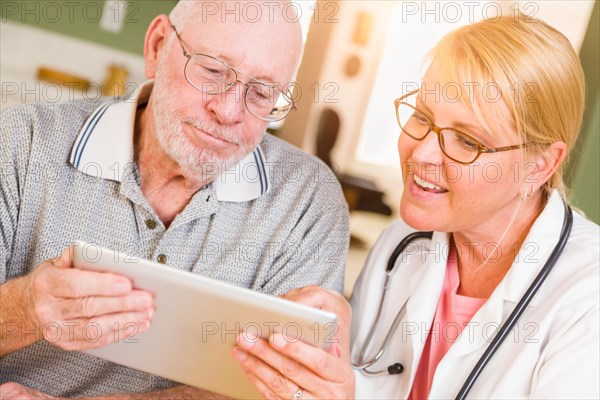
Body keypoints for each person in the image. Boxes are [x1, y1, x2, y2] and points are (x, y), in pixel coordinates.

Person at [232, 14, 600, 399]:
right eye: (422, 117)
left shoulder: (587, 297)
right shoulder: (401, 245)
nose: (421, 153)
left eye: (467, 141)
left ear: (540, 165)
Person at [0, 1, 349, 399]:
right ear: (157, 46)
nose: (229, 111)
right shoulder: (20, 143)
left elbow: (285, 388)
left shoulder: (306, 200)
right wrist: (23, 308)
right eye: (213, 71)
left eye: (263, 92)